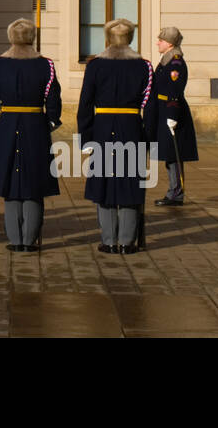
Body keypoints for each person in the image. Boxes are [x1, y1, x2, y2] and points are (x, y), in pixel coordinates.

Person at [77, 18, 153, 254]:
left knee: (105, 184)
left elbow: (85, 104)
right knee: (130, 184)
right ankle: (127, 241)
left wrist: (86, 139)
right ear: (130, 39)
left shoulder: (95, 65)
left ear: (108, 39)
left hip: (102, 128)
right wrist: (147, 139)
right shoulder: (144, 66)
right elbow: (149, 107)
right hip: (131, 127)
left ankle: (109, 240)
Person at [0, 19, 61, 252]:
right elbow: (53, 98)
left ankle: (15, 239)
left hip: (7, 123)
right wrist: (48, 121)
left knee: (10, 182)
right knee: (34, 183)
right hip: (34, 124)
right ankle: (29, 240)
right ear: (32, 37)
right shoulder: (45, 65)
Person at [145, 27, 198, 207]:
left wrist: (172, 115)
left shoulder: (175, 63)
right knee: (169, 155)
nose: (158, 42)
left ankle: (176, 193)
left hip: (170, 112)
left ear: (169, 43)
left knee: (174, 154)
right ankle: (174, 191)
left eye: (161, 40)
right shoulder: (166, 60)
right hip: (163, 111)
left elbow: (175, 90)